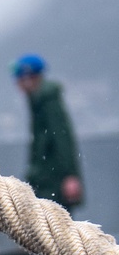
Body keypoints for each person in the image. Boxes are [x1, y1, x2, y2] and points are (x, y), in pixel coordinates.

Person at [13, 54, 83, 210]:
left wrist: (70, 176)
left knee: (56, 225)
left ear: (29, 78)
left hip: (53, 181)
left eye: (19, 78)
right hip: (45, 179)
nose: (17, 83)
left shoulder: (48, 99)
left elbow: (62, 137)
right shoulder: (38, 99)